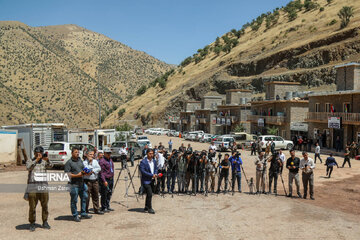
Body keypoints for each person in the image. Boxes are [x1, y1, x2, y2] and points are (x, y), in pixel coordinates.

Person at [26, 146, 53, 231]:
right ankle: (32, 223)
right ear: (34, 153)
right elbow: (28, 167)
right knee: (32, 207)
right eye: (37, 153)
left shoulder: (44, 162)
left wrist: (47, 159)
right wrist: (36, 160)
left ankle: (45, 222)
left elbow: (51, 166)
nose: (38, 155)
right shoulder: (30, 160)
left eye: (40, 153)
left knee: (45, 205)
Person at [64, 147, 92, 222]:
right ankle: (75, 215)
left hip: (82, 183)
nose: (77, 154)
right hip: (73, 185)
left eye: (78, 152)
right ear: (72, 153)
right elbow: (67, 175)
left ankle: (83, 213)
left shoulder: (80, 160)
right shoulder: (69, 163)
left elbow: (83, 169)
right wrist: (77, 175)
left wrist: (87, 172)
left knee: (84, 198)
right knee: (74, 200)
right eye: (76, 152)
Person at [83, 150, 103, 215]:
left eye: (93, 154)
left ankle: (96, 209)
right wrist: (92, 170)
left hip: (95, 181)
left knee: (96, 195)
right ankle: (85, 210)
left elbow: (99, 168)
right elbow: (86, 170)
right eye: (90, 154)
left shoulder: (95, 161)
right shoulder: (84, 162)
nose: (92, 156)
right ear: (86, 155)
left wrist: (92, 170)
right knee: (87, 196)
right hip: (87, 181)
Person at [139, 149, 158, 214]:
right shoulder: (143, 162)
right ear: (147, 154)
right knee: (149, 193)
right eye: (150, 153)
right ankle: (150, 208)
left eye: (152, 153)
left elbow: (156, 168)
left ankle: (146, 206)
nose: (151, 155)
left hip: (152, 180)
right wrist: (151, 175)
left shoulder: (154, 161)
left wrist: (155, 174)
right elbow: (143, 171)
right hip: (145, 181)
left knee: (149, 194)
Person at [99, 148, 115, 213]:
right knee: (104, 193)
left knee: (109, 193)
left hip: (111, 178)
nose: (109, 154)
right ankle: (103, 207)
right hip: (105, 179)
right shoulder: (102, 161)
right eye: (107, 153)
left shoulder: (110, 160)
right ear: (104, 153)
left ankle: (108, 205)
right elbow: (101, 172)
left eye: (110, 153)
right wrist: (104, 181)